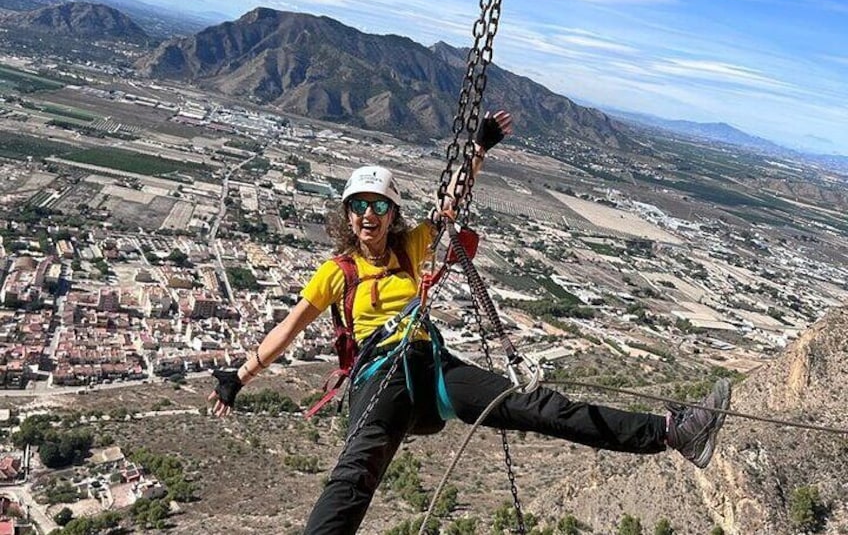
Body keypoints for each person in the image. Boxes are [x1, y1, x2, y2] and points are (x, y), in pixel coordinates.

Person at [208, 111, 732, 535]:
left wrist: (477, 150)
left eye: (378, 206)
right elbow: (290, 327)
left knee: (537, 406)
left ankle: (670, 433)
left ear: (392, 214)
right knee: (356, 471)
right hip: (377, 373)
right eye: (359, 206)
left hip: (430, 365)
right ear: (348, 216)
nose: (369, 214)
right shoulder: (336, 272)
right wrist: (240, 377)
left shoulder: (412, 246)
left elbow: (449, 204)